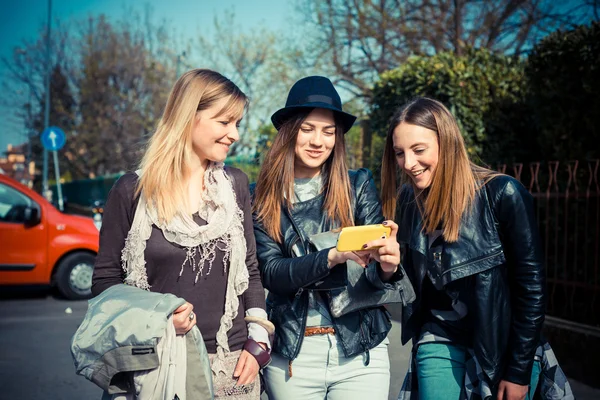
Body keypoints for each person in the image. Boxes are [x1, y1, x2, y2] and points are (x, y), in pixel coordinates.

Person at [91, 68, 272, 399]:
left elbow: (251, 271)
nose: (235, 134)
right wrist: (157, 324)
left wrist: (258, 341)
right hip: (154, 364)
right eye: (224, 121)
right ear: (189, 116)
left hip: (231, 365)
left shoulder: (236, 186)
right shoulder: (131, 191)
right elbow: (105, 284)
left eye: (238, 124)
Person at [381, 97, 570, 400]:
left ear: (447, 142)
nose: (409, 164)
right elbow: (412, 286)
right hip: (438, 338)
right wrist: (390, 270)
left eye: (419, 150)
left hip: (502, 346)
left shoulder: (503, 193)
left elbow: (531, 290)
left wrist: (518, 370)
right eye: (399, 153)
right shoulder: (408, 199)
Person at [251, 75, 402, 399]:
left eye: (328, 131)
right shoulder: (261, 198)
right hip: (293, 356)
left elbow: (375, 271)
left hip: (361, 351)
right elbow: (273, 273)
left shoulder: (357, 185)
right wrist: (330, 256)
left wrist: (388, 264)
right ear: (289, 131)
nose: (318, 140)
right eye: (308, 129)